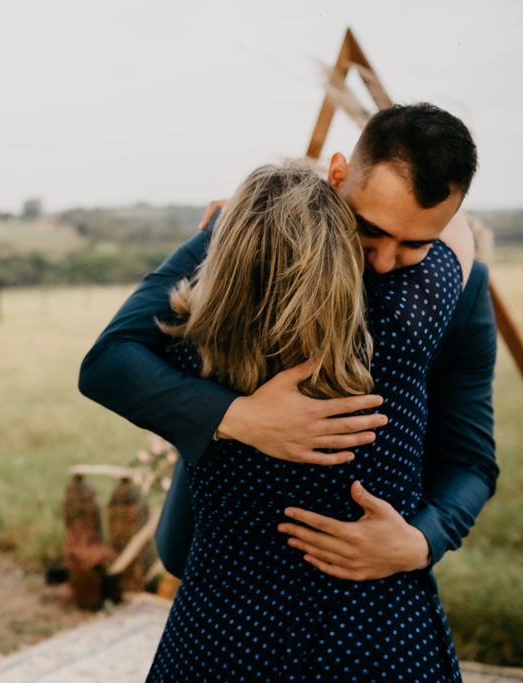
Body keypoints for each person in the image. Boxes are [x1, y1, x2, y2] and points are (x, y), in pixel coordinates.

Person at [79, 103, 496, 589]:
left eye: (415, 245)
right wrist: (240, 418)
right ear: (337, 175)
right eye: (371, 229)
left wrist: (422, 541)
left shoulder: (463, 289)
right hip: (220, 568)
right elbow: (108, 360)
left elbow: (471, 461)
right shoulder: (242, 237)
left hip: (362, 603)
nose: (384, 262)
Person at [145, 159, 467, 680]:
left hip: (215, 640)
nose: (385, 260)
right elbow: (455, 231)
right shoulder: (403, 329)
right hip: (374, 641)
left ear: (224, 255)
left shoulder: (186, 352)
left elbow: (116, 351)